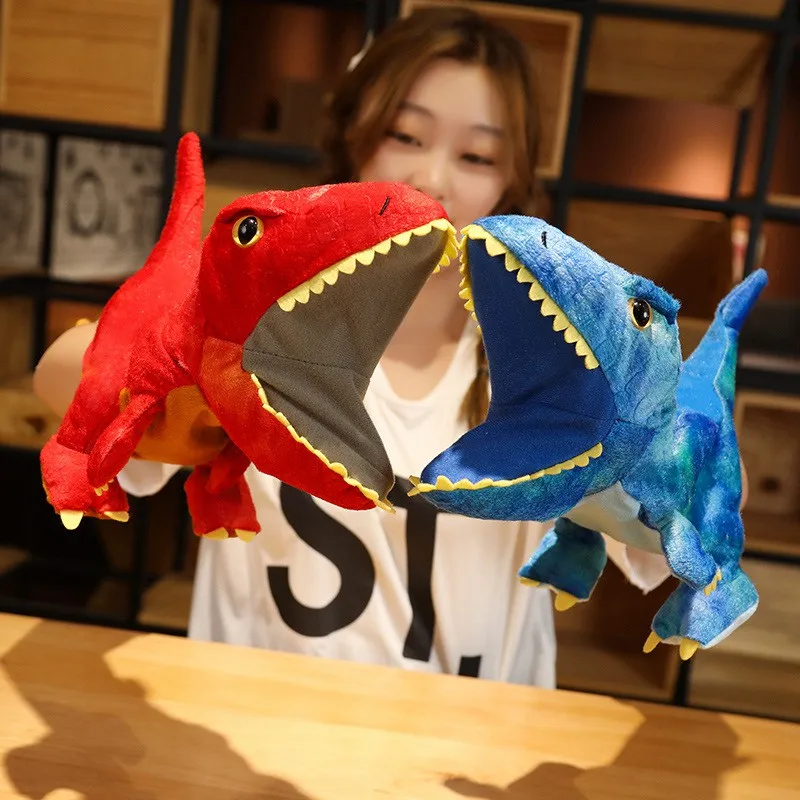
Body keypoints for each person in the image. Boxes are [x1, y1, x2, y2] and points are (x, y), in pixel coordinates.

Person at [34, 6, 680, 687]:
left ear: (511, 185)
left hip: (470, 738)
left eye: (477, 156)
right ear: (355, 140)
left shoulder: (552, 376)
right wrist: (192, 354)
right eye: (406, 135)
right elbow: (57, 378)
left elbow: (678, 513)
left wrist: (660, 423)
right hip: (254, 725)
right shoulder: (250, 330)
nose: (433, 178)